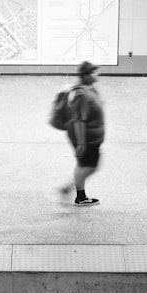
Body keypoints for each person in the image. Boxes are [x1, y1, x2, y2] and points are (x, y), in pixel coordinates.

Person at [60, 60, 105, 206]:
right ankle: (74, 192)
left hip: (91, 136)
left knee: (84, 164)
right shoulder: (81, 94)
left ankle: (80, 195)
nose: (96, 75)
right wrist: (81, 143)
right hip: (86, 137)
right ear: (85, 75)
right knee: (90, 166)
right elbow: (79, 120)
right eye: (93, 72)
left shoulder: (89, 89)